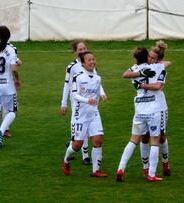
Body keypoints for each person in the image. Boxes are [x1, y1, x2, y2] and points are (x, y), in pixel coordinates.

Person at [116, 47, 166, 182]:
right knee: (154, 142)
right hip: (153, 109)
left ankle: (120, 168)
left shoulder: (134, 69)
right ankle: (151, 174)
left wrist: (140, 74)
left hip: (139, 110)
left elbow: (125, 74)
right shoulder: (157, 68)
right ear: (147, 57)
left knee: (133, 140)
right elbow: (159, 84)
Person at [60, 40, 107, 165]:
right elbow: (67, 86)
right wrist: (63, 103)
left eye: (84, 48)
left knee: (90, 127)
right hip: (78, 102)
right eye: (80, 49)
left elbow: (96, 81)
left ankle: (80, 150)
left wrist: (102, 93)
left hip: (91, 102)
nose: (83, 51)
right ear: (75, 52)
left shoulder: (91, 63)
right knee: (82, 127)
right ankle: (85, 154)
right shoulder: (71, 67)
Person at [140, 40, 172, 177]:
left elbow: (168, 63)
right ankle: (146, 167)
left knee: (161, 137)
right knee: (144, 137)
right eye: (149, 57)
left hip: (159, 107)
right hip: (144, 106)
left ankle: (165, 162)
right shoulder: (142, 67)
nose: (149, 59)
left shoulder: (160, 69)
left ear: (158, 60)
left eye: (153, 58)